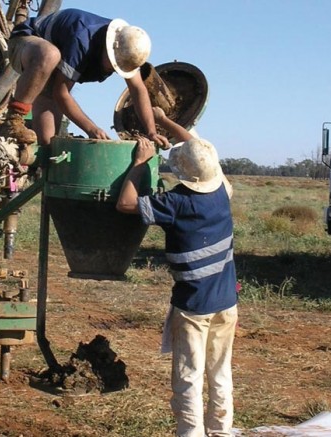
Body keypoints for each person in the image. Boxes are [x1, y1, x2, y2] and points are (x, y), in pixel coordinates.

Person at [116, 109, 238, 437]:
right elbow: (198, 149)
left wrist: (139, 162)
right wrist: (164, 120)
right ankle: (222, 432)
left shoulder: (176, 202)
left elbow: (125, 204)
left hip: (194, 308)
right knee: (219, 373)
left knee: (189, 377)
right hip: (227, 303)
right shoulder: (222, 190)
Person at [0, 9, 170, 149]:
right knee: (49, 54)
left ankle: (19, 146)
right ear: (108, 49)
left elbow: (138, 90)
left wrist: (151, 132)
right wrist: (91, 128)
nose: (115, 71)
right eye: (114, 66)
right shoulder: (82, 41)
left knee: (47, 143)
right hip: (28, 46)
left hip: (54, 71)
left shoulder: (127, 47)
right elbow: (61, 93)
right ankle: (13, 119)